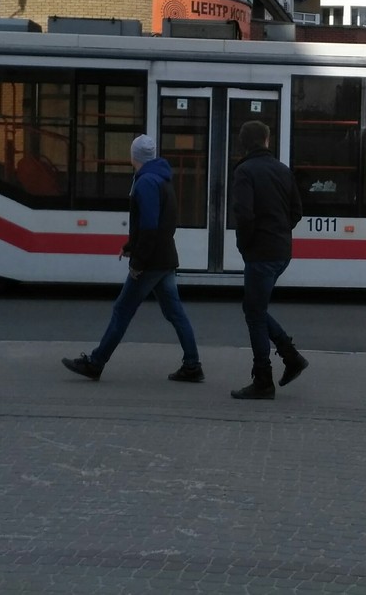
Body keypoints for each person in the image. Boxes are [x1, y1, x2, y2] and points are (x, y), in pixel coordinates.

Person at [62, 134, 203, 382]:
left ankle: (95, 363)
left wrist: (137, 262)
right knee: (175, 313)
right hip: (164, 257)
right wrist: (130, 245)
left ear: (133, 156)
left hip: (151, 262)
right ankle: (192, 365)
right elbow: (154, 225)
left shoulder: (146, 182)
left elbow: (149, 226)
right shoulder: (160, 178)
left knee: (122, 310)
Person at [228, 120, 308, 400]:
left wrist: (245, 244)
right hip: (281, 251)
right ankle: (290, 357)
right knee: (255, 309)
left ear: (243, 143)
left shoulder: (244, 172)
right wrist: (280, 231)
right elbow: (297, 211)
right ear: (265, 140)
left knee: (254, 314)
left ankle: (264, 379)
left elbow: (244, 214)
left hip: (260, 253)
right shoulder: (283, 171)